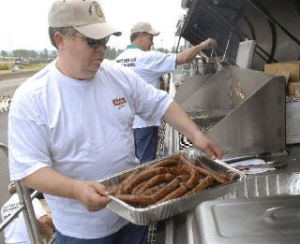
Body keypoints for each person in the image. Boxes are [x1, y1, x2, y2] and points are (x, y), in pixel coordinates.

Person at [8, 0, 223, 243]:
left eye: (104, 40)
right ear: (60, 40)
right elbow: (29, 170)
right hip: (83, 230)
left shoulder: (115, 74)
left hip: (132, 215)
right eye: (92, 41)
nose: (102, 48)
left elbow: (160, 103)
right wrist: (76, 190)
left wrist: (196, 134)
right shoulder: (31, 98)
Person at [115, 22, 217, 163]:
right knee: (147, 165)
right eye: (151, 38)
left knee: (133, 163)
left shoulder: (118, 60)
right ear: (141, 36)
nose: (152, 42)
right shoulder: (146, 57)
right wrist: (203, 44)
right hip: (145, 123)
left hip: (125, 123)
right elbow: (183, 58)